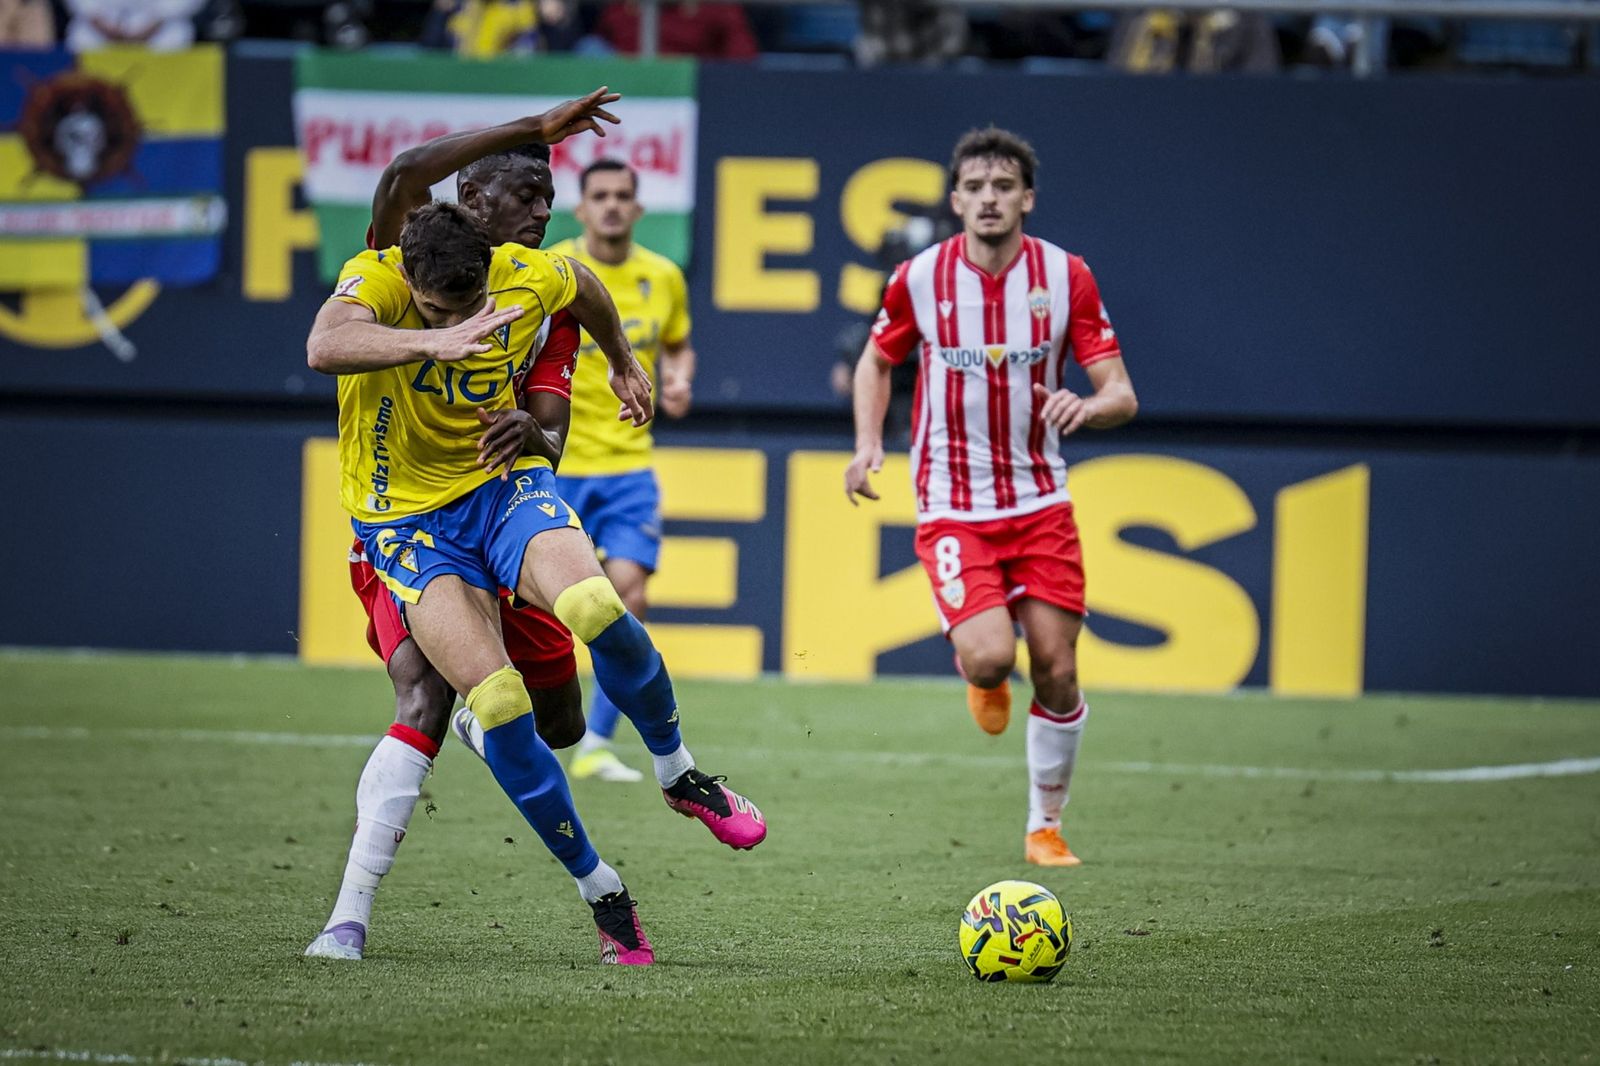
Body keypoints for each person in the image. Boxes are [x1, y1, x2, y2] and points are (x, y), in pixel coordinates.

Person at [306, 201, 766, 965]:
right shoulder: (376, 282)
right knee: (499, 703)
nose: (466, 318)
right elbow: (324, 345)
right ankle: (603, 892)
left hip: (500, 487)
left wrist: (621, 356)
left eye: (472, 303)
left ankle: (679, 772)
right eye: (443, 306)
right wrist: (436, 338)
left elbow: (582, 283)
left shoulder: (522, 272)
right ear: (412, 281)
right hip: (408, 522)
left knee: (596, 605)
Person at [306, 93, 621, 964]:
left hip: (498, 520)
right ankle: (346, 918)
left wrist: (540, 431)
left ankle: (498, 721)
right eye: (526, 200)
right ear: (470, 204)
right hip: (408, 530)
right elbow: (402, 180)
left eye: (549, 206)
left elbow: (553, 425)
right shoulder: (397, 267)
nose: (542, 214)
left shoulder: (535, 291)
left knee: (556, 722)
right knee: (424, 697)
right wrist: (532, 128)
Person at [844, 127, 1137, 868]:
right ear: (954, 200)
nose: (988, 199)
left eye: (1003, 186)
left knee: (1059, 667)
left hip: (1040, 500)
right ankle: (983, 676)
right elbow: (877, 362)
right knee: (987, 659)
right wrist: (868, 444)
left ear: (1026, 199)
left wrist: (1090, 408)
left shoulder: (1068, 277)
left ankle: (1044, 826)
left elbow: (1121, 394)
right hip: (951, 502)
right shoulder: (919, 278)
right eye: (975, 187)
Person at [547, 159, 695, 784]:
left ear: (638, 209)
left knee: (626, 598)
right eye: (600, 196)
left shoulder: (663, 277)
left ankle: (598, 744)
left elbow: (678, 340)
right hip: (554, 465)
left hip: (630, 468)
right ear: (580, 210)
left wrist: (680, 376)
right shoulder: (553, 270)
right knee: (544, 612)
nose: (612, 205)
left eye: (623, 196)